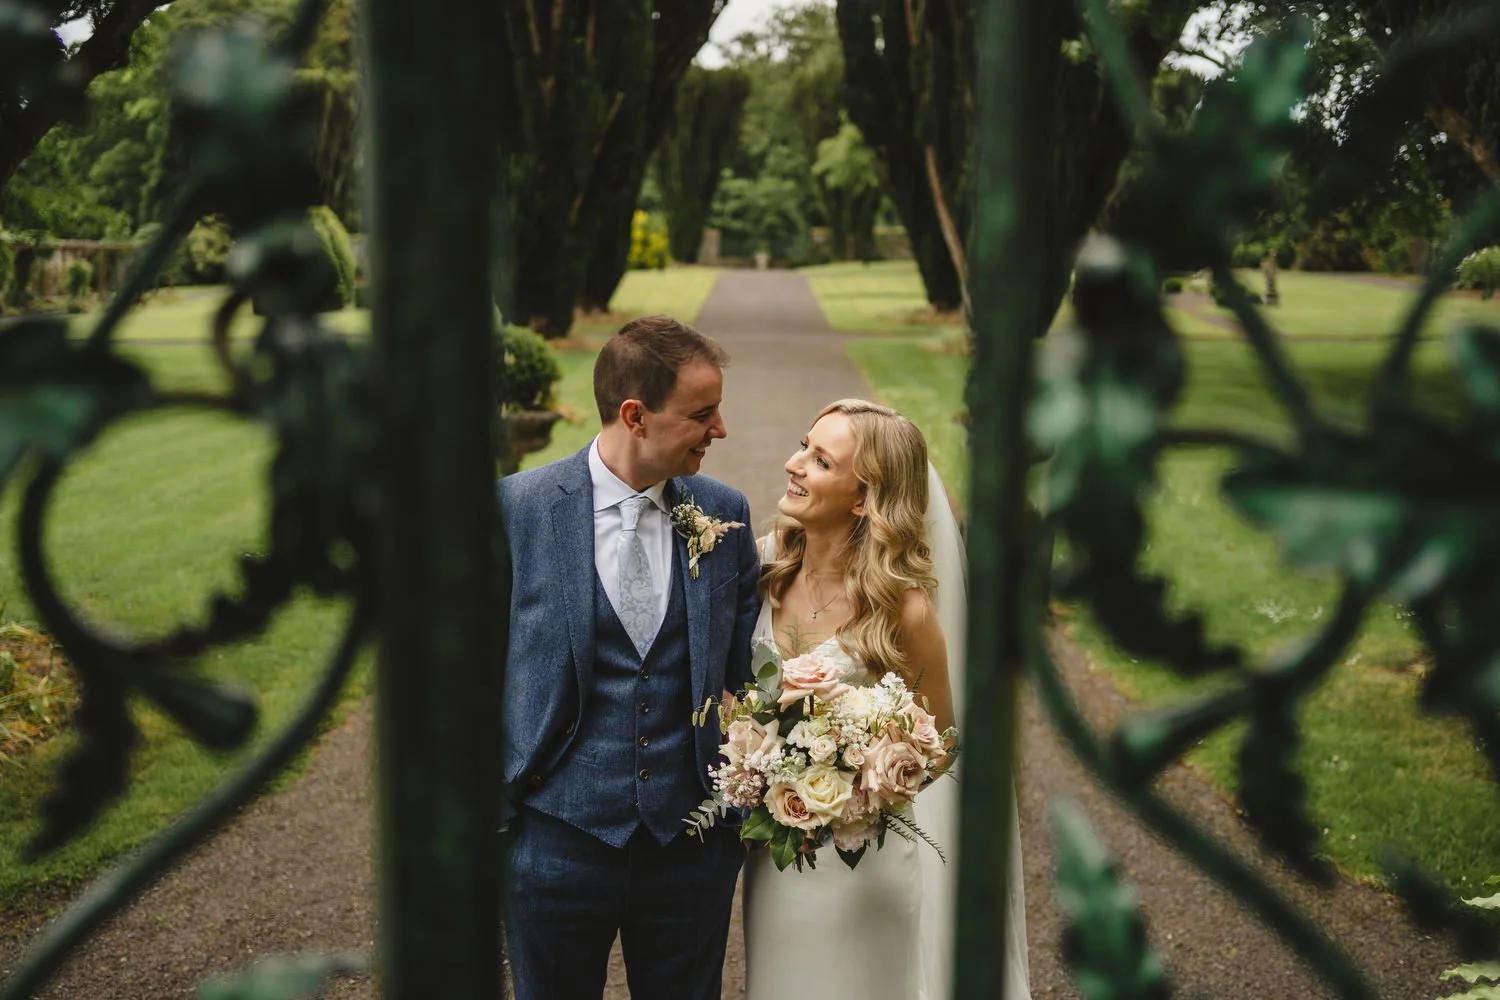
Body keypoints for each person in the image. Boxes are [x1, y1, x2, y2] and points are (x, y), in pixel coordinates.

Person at [497, 315, 761, 1000]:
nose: (721, 430)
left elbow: (747, 675)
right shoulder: (517, 511)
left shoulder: (724, 516)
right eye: (703, 414)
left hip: (690, 850)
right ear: (635, 415)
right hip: (554, 841)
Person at [742, 398, 1031, 1000]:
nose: (794, 464)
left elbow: (941, 746)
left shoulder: (905, 610)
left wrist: (856, 780)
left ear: (863, 498)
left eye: (821, 460)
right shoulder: (764, 566)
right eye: (804, 444)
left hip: (865, 864)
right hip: (778, 858)